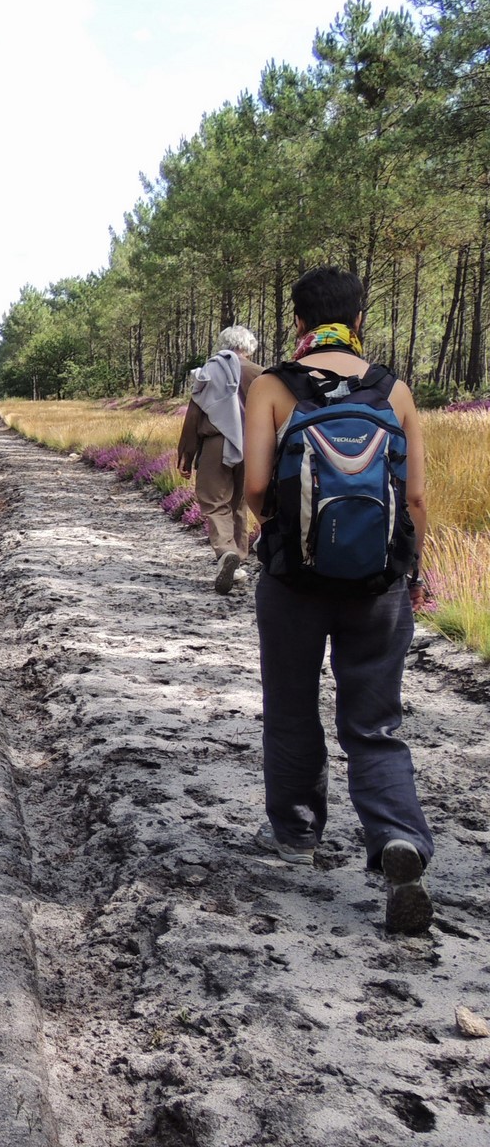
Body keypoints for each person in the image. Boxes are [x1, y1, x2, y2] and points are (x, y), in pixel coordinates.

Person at [242, 265, 433, 934]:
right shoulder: (393, 389)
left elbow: (257, 486)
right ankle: (396, 839)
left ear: (297, 320)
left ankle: (296, 835)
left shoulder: (272, 385)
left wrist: (285, 532)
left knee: (292, 709)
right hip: (379, 585)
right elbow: (412, 498)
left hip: (293, 581)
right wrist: (415, 568)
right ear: (360, 318)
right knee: (375, 721)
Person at [178, 325, 263, 594]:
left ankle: (226, 553)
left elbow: (194, 415)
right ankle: (237, 560)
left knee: (214, 501)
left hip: (216, 443)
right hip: (253, 446)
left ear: (223, 345)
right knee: (239, 502)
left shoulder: (210, 371)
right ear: (249, 347)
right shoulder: (262, 375)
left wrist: (187, 454)